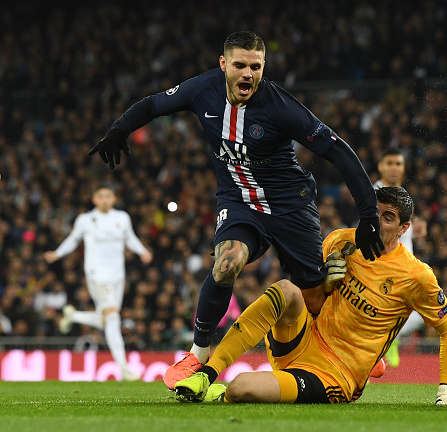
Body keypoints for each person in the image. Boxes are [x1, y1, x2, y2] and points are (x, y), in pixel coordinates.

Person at [88, 31, 384, 389]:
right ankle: (198, 354)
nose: (248, 74)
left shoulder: (281, 107)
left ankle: (357, 344)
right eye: (240, 65)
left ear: (263, 67)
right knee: (226, 263)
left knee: (314, 296)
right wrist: (119, 129)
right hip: (238, 201)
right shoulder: (203, 90)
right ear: (223, 64)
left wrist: (368, 214)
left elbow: (338, 151)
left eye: (256, 67)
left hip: (290, 205)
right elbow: (152, 105)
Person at [173, 187, 447, 406]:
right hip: (304, 340)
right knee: (286, 289)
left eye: (389, 218)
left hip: (335, 375)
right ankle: (207, 374)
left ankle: (219, 394)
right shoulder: (341, 241)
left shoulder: (415, 275)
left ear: (404, 228)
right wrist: (325, 286)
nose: (377, 222)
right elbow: (310, 300)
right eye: (375, 213)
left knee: (240, 388)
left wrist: (445, 393)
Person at [43, 184, 153, 381]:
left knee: (108, 319)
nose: (104, 199)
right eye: (100, 196)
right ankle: (124, 367)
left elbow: (131, 239)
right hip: (96, 275)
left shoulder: (122, 218)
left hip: (117, 276)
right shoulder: (85, 220)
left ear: (114, 199)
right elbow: (73, 240)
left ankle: (74, 315)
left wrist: (142, 251)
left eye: (108, 196)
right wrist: (57, 254)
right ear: (94, 199)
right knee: (112, 317)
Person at [373, 149, 427, 367]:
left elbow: (404, 227)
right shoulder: (375, 194)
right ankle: (379, 345)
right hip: (386, 266)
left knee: (423, 313)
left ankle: (389, 337)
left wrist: (417, 226)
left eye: (398, 163)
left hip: (407, 266)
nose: (394, 167)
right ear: (381, 167)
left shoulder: (403, 194)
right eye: (390, 162)